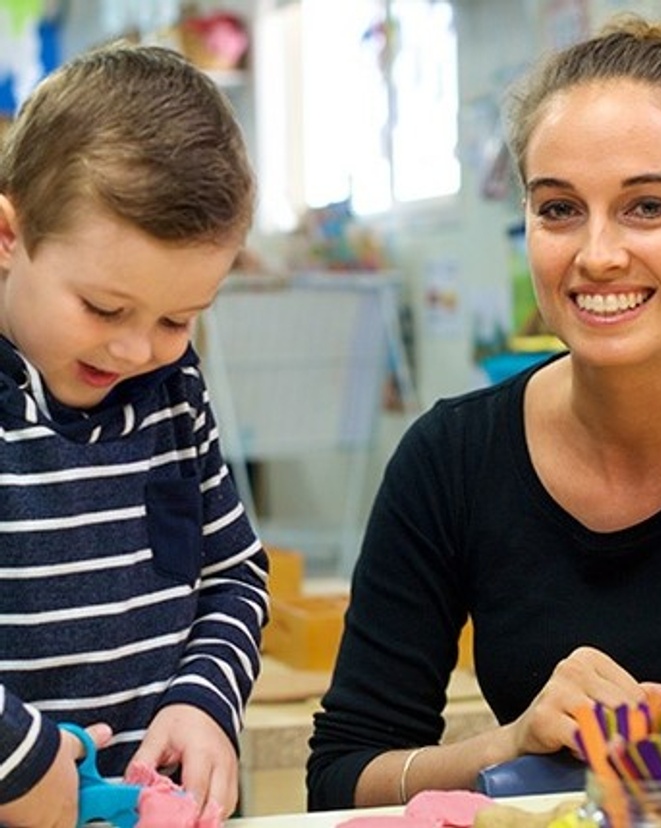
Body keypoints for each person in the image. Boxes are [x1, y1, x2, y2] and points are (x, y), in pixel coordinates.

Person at [307, 15, 661, 810]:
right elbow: (341, 776)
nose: (596, 254)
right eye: (558, 209)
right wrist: (507, 743)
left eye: (646, 206)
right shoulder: (449, 459)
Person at [0, 41, 269, 827]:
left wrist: (206, 700)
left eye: (178, 318)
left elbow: (235, 576)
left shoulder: (172, 393)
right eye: (105, 309)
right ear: (10, 238)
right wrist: (17, 758)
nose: (134, 349)